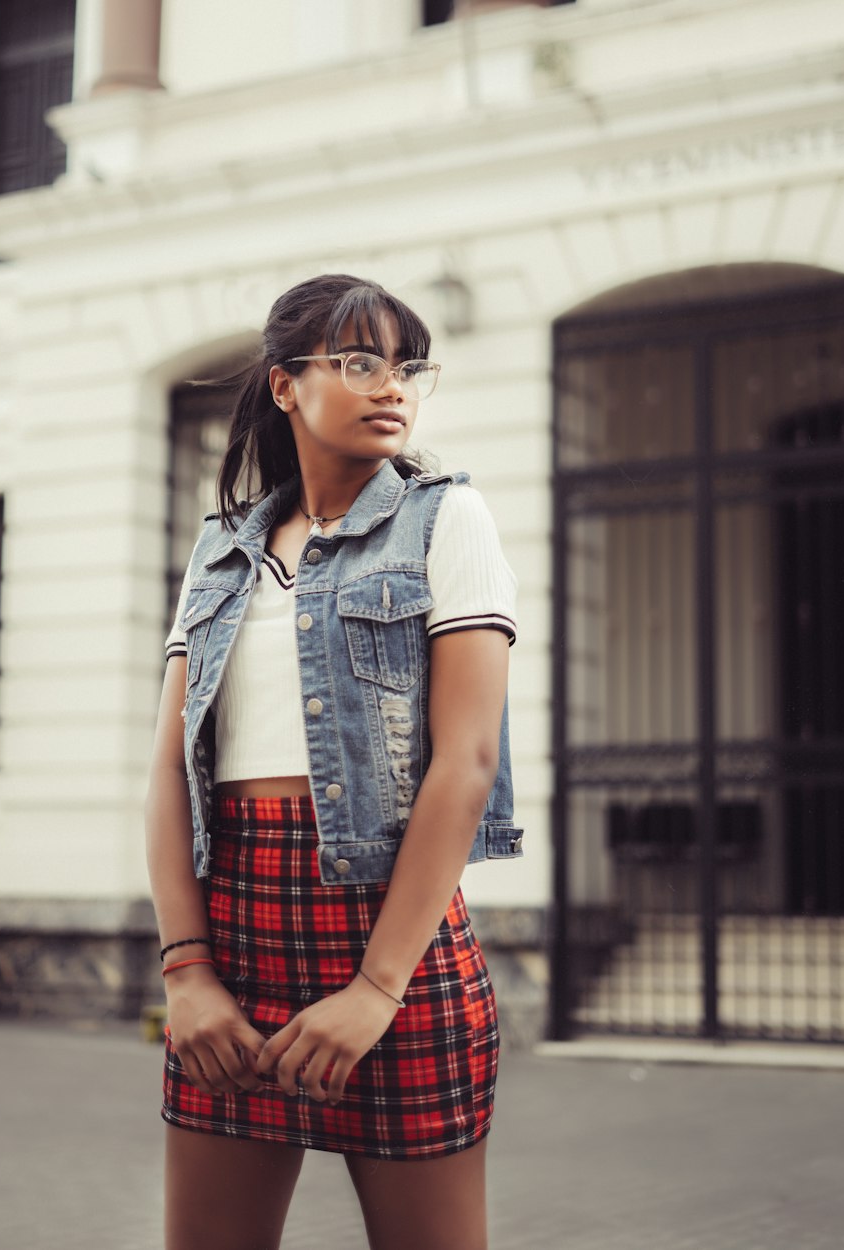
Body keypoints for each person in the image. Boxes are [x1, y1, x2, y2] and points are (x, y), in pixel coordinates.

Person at [145, 273, 521, 1250]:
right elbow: (170, 772)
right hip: (234, 935)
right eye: (359, 361)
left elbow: (468, 758)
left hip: (391, 938)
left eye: (406, 365)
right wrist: (186, 969)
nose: (391, 384)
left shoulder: (446, 519)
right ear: (285, 384)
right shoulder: (221, 551)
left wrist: (374, 988)